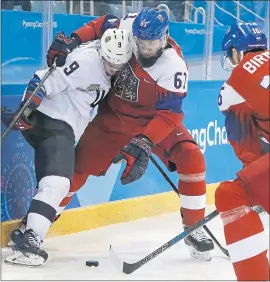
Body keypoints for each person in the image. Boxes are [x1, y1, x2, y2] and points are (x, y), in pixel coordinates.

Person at [46, 7, 215, 261]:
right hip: (112, 118)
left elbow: (170, 115)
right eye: (141, 43)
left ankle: (194, 226)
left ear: (165, 36)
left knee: (191, 156)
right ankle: (39, 223)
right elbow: (99, 24)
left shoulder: (174, 65)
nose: (145, 49)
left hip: (152, 122)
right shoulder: (128, 24)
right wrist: (75, 39)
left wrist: (145, 141)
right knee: (76, 169)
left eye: (152, 44)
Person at [3, 28, 132, 267]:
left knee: (61, 183)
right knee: (59, 182)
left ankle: (27, 229)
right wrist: (27, 110)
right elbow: (44, 79)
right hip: (50, 120)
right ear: (101, 52)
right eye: (109, 63)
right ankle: (30, 241)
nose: (112, 69)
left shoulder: (118, 62)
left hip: (63, 125)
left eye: (118, 65)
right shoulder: (85, 61)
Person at [215, 22, 269, 281]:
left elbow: (246, 147)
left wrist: (255, 186)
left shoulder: (233, 86)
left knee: (231, 194)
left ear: (237, 52)